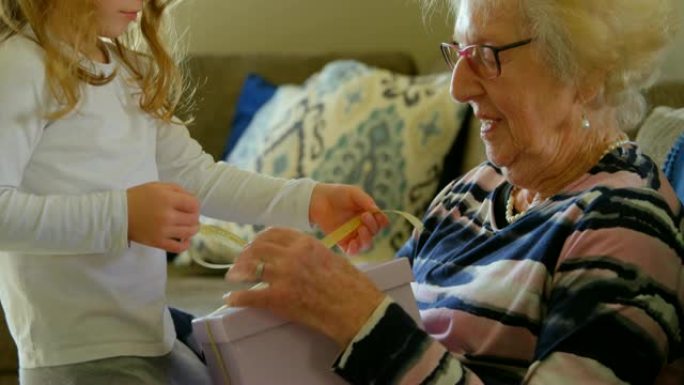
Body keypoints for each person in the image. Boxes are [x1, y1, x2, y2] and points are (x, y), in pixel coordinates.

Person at [225, 0, 684, 383]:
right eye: (459, 54)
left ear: (586, 72)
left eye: (487, 55)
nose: (459, 88)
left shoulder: (625, 226)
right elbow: (392, 322)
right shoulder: (471, 193)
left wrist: (360, 317)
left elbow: (378, 329)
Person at [0, 0, 388, 384]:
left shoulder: (131, 71)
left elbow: (197, 176)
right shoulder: (20, 64)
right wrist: (122, 217)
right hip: (80, 357)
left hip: (152, 338)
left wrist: (309, 200)